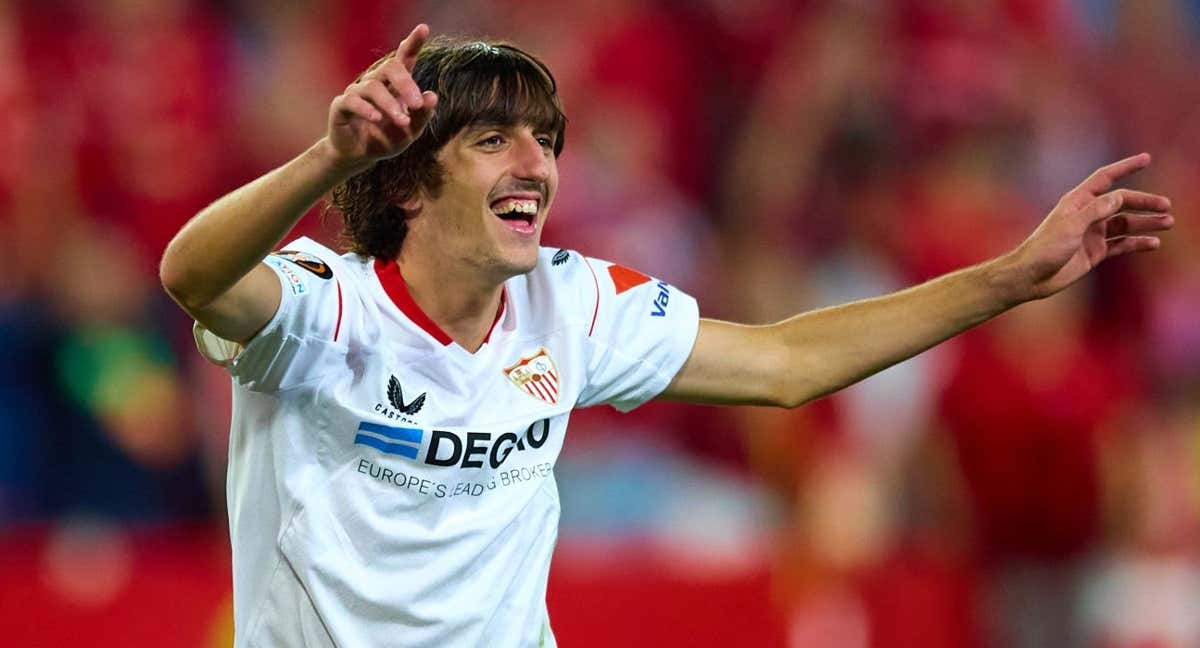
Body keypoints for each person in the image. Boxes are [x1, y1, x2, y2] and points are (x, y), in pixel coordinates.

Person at [159, 24, 1174, 648]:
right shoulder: (328, 308)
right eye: (495, 140)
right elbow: (191, 274)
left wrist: (1008, 278)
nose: (539, 164)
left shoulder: (575, 303)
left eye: (547, 141)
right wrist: (324, 158)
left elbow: (784, 363)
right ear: (411, 183)